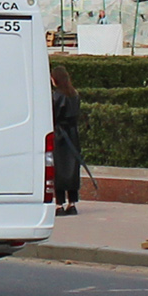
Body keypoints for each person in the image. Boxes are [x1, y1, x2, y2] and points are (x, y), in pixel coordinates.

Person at [50, 66, 82, 216]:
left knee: (59, 169)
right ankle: (72, 203)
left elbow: (53, 115)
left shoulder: (57, 96)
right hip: (73, 134)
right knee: (72, 169)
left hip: (59, 134)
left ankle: (59, 204)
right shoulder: (74, 94)